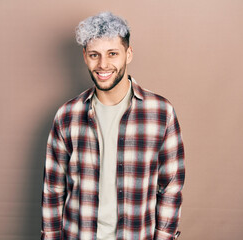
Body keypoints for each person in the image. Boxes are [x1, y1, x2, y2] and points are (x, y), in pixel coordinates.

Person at [41, 12, 185, 240]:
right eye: (94, 55)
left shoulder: (161, 113)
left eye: (112, 54)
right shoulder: (67, 115)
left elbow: (171, 186)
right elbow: (53, 189)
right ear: (84, 57)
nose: (103, 64)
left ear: (128, 54)